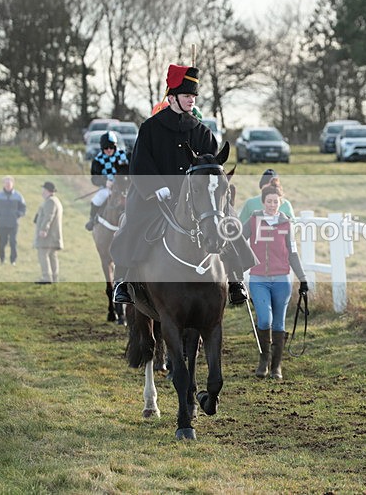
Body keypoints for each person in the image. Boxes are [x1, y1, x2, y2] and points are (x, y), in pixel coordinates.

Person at [110, 63, 257, 305]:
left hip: (197, 197)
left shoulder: (202, 131)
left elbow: (212, 165)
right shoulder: (150, 128)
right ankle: (123, 281)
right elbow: (140, 163)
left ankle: (235, 279)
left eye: (193, 96)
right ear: (172, 97)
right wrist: (156, 187)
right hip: (156, 195)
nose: (192, 100)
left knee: (227, 218)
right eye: (187, 96)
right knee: (133, 219)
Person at [242, 178, 308, 380]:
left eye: (275, 202)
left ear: (280, 203)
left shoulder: (286, 223)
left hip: (281, 279)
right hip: (258, 278)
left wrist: (302, 278)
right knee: (264, 319)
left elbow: (293, 253)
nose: (272, 205)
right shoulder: (253, 220)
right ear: (263, 202)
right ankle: (264, 359)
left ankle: (276, 367)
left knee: (279, 324)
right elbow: (238, 241)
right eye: (269, 201)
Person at [85, 131, 130, 231]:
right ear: (102, 148)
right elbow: (94, 178)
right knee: (97, 199)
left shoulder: (124, 156)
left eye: (111, 147)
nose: (109, 150)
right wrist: (104, 182)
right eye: (106, 148)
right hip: (108, 188)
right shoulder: (98, 160)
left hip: (125, 188)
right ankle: (92, 220)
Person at [0, 175, 27, 265]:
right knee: (2, 242)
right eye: (6, 183)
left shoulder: (18, 196)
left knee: (13, 242)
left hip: (14, 224)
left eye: (9, 183)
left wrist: (18, 215)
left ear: (13, 184)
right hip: (2, 223)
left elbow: (23, 208)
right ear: (3, 184)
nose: (8, 185)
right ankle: (2, 259)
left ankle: (13, 260)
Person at [33, 181, 64, 284]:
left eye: (43, 189)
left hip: (48, 236)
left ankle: (46, 277)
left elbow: (48, 216)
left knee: (43, 255)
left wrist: (43, 229)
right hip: (54, 236)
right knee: (52, 256)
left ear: (47, 190)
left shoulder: (50, 201)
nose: (42, 192)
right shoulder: (56, 201)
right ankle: (54, 278)